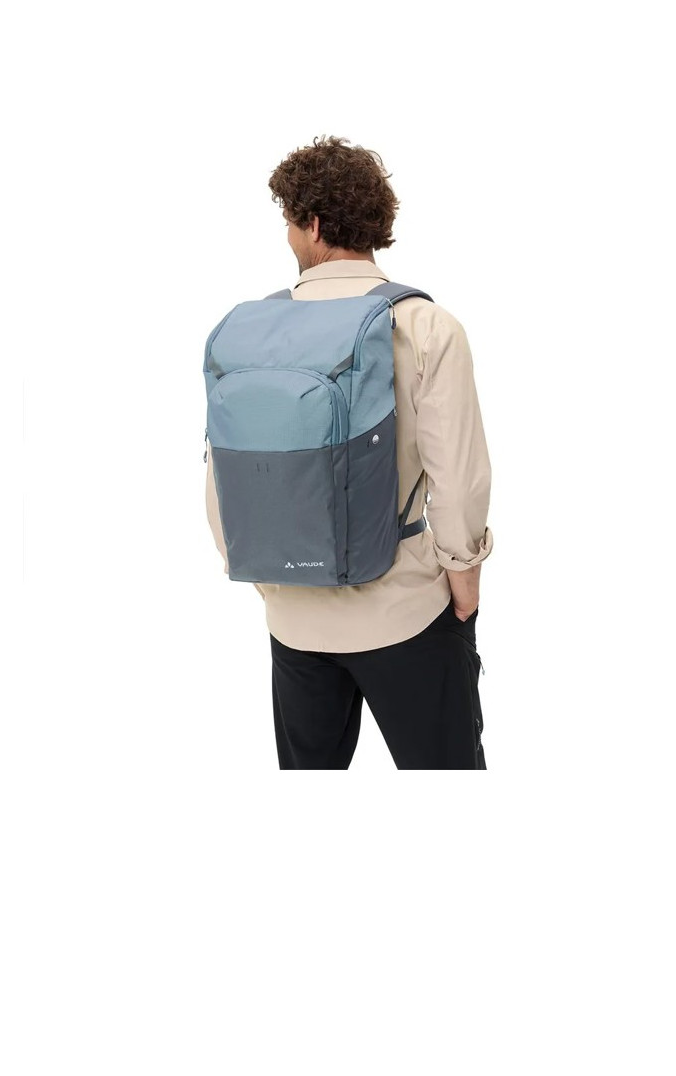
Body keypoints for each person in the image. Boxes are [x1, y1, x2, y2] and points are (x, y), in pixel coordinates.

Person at [205, 135, 494, 769]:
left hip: (292, 620)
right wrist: (464, 585)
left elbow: (223, 474)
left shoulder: (248, 330)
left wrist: (271, 576)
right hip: (404, 611)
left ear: (312, 223)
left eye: (289, 220)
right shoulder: (425, 325)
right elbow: (458, 477)